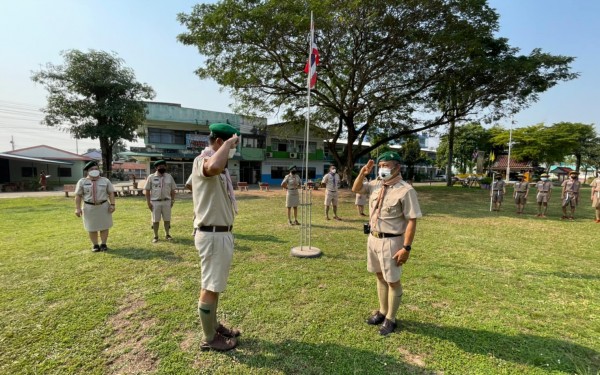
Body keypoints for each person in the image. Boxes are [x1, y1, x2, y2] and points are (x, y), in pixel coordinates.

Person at [352, 151, 422, 336]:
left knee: (393, 281)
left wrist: (406, 248)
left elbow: (412, 220)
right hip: (373, 238)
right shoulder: (375, 185)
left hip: (392, 241)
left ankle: (391, 318)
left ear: (397, 167)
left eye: (387, 165)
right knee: (379, 276)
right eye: (381, 165)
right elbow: (356, 189)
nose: (383, 168)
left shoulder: (406, 190)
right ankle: (382, 311)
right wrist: (363, 173)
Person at [191, 123, 241, 351]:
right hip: (212, 235)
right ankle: (210, 338)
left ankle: (214, 325)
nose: (234, 150)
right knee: (210, 287)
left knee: (214, 285)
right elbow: (212, 167)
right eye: (233, 145)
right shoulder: (205, 161)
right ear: (221, 142)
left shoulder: (215, 166)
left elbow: (193, 184)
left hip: (219, 233)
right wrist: (228, 144)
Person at [74, 161, 116, 252]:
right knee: (91, 227)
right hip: (89, 208)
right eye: (92, 169)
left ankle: (103, 244)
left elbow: (111, 193)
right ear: (87, 171)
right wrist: (77, 208)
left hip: (103, 206)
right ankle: (95, 245)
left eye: (96, 169)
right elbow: (78, 196)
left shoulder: (105, 180)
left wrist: (112, 204)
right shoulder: (82, 182)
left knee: (104, 226)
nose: (94, 170)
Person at [144, 160, 177, 243]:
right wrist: (148, 202)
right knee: (155, 220)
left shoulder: (169, 177)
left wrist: (172, 200)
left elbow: (173, 190)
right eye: (160, 166)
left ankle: (167, 234)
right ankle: (155, 236)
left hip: (167, 201)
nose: (162, 168)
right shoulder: (151, 177)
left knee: (167, 219)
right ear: (156, 168)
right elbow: (147, 191)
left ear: (165, 167)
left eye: (163, 166)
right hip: (155, 202)